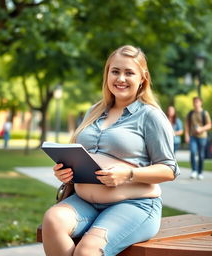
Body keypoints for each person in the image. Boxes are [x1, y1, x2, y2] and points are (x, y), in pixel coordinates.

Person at [42, 45, 180, 256]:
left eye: (129, 72)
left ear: (143, 78)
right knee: (52, 220)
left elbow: (169, 170)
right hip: (84, 202)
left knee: (86, 251)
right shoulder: (93, 112)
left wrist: (129, 174)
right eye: (115, 71)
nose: (121, 78)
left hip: (134, 206)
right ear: (107, 74)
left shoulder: (150, 116)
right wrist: (66, 173)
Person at [184, 96, 211, 180]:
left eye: (197, 102)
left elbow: (209, 125)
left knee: (201, 155)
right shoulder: (190, 113)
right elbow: (187, 125)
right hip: (193, 136)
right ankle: (194, 171)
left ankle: (200, 172)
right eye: (194, 102)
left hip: (202, 137)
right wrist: (186, 135)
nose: (195, 104)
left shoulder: (204, 113)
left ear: (201, 103)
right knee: (192, 152)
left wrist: (201, 129)